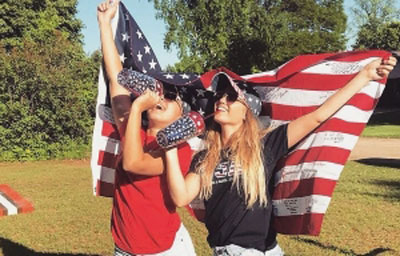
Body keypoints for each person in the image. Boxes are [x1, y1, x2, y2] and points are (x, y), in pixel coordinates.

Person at [164, 56, 397, 256]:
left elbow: (318, 116)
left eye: (231, 97)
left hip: (269, 249)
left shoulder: (266, 145)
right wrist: (170, 149)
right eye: (220, 96)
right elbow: (181, 197)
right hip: (232, 251)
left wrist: (365, 75)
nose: (222, 100)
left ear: (248, 111)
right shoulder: (205, 158)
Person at [97, 1, 197, 255]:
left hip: (165, 249)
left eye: (172, 96)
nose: (161, 97)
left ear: (181, 115)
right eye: (161, 91)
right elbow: (116, 79)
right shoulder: (134, 130)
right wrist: (104, 25)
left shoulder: (179, 150)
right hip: (125, 247)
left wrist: (138, 107)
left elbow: (133, 163)